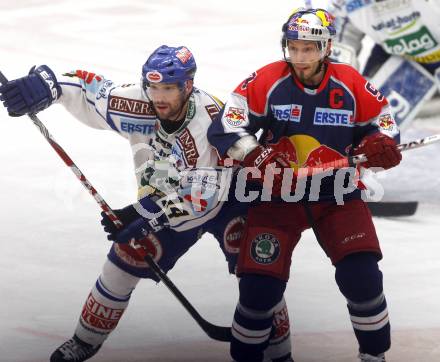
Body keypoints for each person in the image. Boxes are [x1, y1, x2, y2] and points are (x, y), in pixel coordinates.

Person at [0, 45, 292, 362]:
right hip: (171, 195)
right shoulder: (136, 102)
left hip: (233, 196)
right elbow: (87, 90)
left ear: (188, 86)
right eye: (153, 87)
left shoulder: (209, 122)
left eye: (167, 88)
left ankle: (281, 355)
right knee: (122, 263)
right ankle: (85, 340)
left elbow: (203, 199)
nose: (158, 97)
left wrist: (143, 215)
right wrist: (45, 85)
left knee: (260, 274)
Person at [208, 8, 402, 362]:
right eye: (294, 48)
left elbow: (384, 122)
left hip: (337, 193)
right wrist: (257, 156)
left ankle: (374, 357)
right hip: (276, 195)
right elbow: (227, 124)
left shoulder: (351, 83)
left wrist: (381, 143)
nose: (300, 57)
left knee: (363, 280)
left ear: (327, 47)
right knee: (258, 291)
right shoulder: (266, 81)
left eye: (309, 49)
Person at [328, 0, 440, 128]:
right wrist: (332, 90)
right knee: (367, 119)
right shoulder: (347, 5)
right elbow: (338, 45)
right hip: (399, 56)